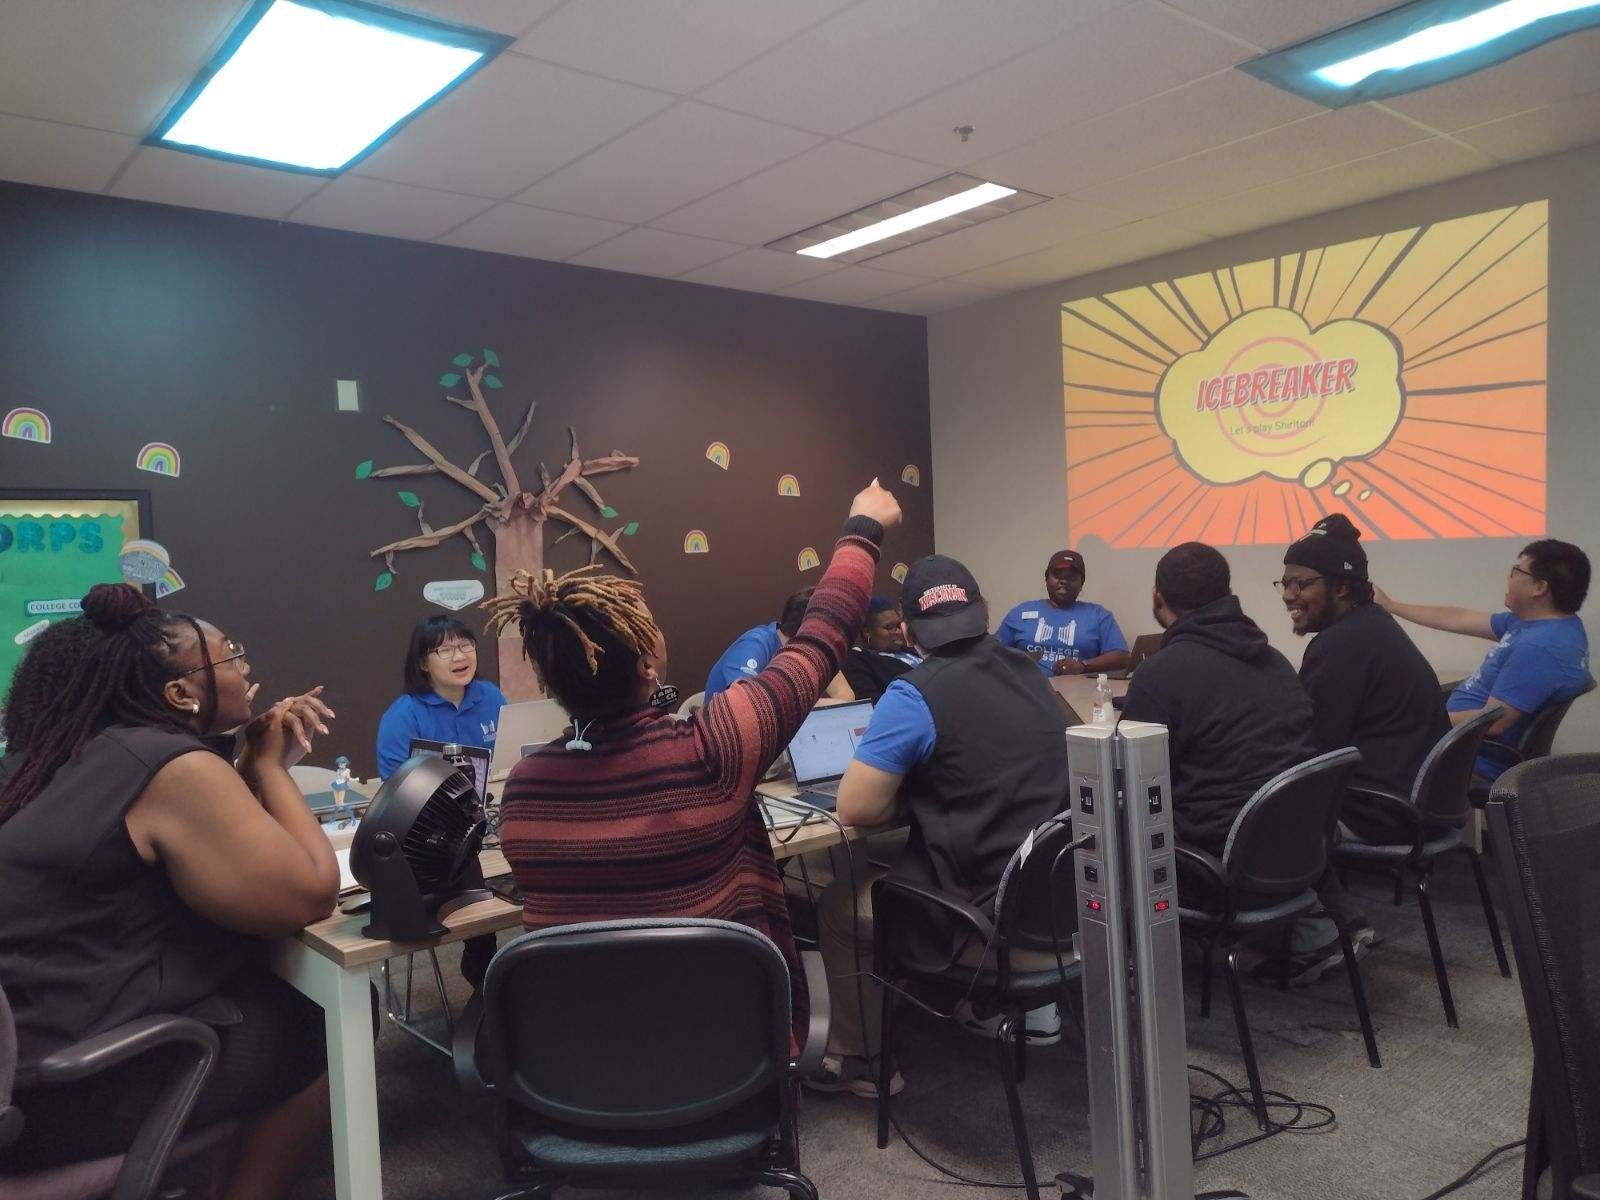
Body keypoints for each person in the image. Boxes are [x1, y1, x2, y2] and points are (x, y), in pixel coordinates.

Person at [494, 480, 901, 1059]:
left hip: (579, 1069)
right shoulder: (714, 750)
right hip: (729, 1053)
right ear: (645, 663)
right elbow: (821, 638)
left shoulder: (525, 795)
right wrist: (863, 527)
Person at [0, 583, 338, 1199]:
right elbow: (310, 894)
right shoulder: (167, 766)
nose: (244, 665)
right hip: (64, 1090)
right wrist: (266, 764)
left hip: (23, 1061)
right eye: (230, 654)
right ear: (180, 693)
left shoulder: (51, 757)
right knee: (322, 1022)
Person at [819, 554, 1071, 1095]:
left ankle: (866, 1063)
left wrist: (919, 796)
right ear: (984, 611)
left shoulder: (914, 694)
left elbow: (856, 811)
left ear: (908, 632)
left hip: (988, 917)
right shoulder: (1034, 673)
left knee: (840, 901)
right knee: (896, 864)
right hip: (1054, 898)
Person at [1122, 542, 1315, 857]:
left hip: (1212, 862)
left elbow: (1133, 787)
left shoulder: (1160, 674)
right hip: (1298, 851)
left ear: (1158, 597)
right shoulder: (1275, 660)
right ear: (1226, 595)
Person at [1377, 539, 1591, 781]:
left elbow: (1492, 722)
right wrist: (1391, 606)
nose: (1508, 579)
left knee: (1364, 749)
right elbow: (1458, 618)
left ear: (1539, 588)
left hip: (1463, 756)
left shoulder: (1540, 648)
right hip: (1450, 739)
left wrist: (1414, 722)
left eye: (1516, 571)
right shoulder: (1545, 624)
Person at [1281, 514, 1449, 801]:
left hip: (1379, 812)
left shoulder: (1340, 645)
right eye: (1284, 584)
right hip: (1411, 799)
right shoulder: (1374, 624)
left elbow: (1312, 750)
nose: (1287, 595)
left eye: (1300, 584)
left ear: (1341, 587)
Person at [374, 616, 508, 780]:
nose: (459, 657)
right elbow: (396, 785)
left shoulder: (491, 696)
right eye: (445, 650)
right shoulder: (402, 716)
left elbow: (510, 757)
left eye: (466, 645)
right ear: (423, 663)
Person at [997, 549, 1130, 676]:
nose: (1064, 581)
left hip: (1079, 694)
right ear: (1046, 578)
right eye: (1057, 575)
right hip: (1027, 691)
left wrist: (1083, 665)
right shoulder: (1021, 612)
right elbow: (993, 652)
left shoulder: (1098, 615)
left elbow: (1122, 657)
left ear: (1082, 582)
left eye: (1071, 577)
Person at [705, 588, 853, 700]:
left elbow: (846, 697)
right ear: (808, 632)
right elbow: (746, 701)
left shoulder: (813, 652)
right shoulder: (756, 644)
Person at [840, 596, 919, 703]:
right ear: (867, 632)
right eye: (890, 627)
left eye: (898, 626)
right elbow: (870, 701)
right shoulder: (858, 660)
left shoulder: (911, 648)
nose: (898, 631)